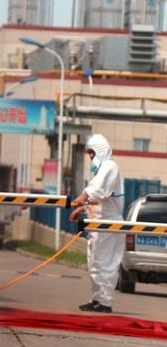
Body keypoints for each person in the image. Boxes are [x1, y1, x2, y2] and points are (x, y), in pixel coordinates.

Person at [69, 133, 125, 313]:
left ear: (98, 151)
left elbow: (97, 191)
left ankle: (105, 303)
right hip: (98, 224)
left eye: (91, 153)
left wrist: (82, 197)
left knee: (105, 263)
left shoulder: (110, 167)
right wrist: (82, 208)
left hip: (108, 225)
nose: (90, 157)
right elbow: (99, 200)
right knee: (95, 263)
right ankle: (97, 299)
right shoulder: (102, 169)